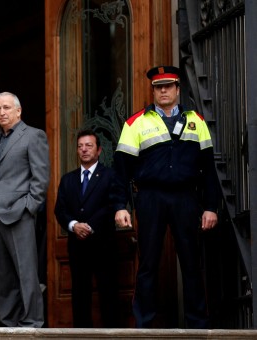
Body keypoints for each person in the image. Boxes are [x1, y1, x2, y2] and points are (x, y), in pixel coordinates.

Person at [112, 65, 220, 328]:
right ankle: (144, 324)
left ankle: (197, 323)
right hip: (150, 197)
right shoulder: (135, 123)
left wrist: (211, 207)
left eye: (168, 86)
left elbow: (209, 170)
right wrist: (120, 206)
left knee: (192, 262)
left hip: (186, 197)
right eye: (158, 87)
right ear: (153, 90)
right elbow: (120, 171)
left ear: (177, 89)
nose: (163, 91)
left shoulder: (198, 121)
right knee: (148, 262)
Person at [0, 91, 49, 327]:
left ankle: (32, 321)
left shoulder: (34, 135)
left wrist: (29, 208)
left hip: (20, 214)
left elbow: (41, 177)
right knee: (4, 275)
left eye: (6, 107)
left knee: (27, 273)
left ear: (19, 111)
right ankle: (8, 321)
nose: (1, 112)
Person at [54, 129, 120, 327]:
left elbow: (112, 205)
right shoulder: (68, 179)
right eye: (80, 146)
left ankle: (112, 334)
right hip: (77, 246)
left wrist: (90, 226)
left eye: (89, 146)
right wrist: (74, 225)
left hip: (104, 245)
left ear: (98, 150)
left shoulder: (110, 175)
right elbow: (60, 210)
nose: (84, 150)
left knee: (108, 293)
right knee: (79, 294)